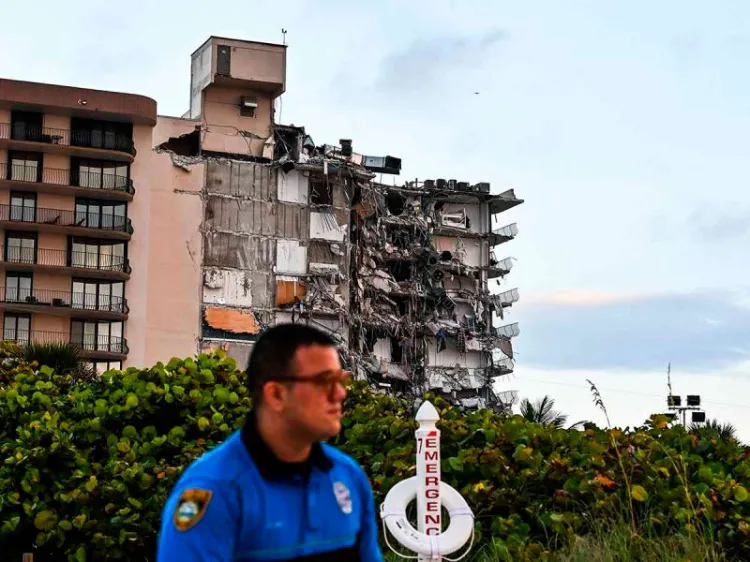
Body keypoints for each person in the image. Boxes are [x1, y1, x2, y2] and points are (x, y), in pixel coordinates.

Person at [156, 323, 383, 562]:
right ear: (276, 394)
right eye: (324, 382)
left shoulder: (348, 476)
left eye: (341, 380)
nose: (340, 394)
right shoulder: (216, 490)